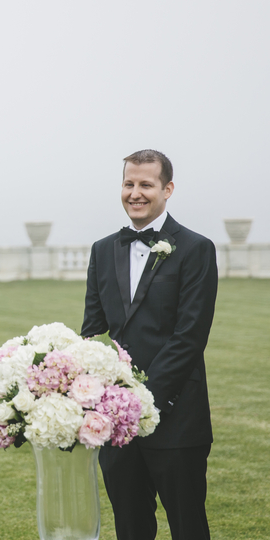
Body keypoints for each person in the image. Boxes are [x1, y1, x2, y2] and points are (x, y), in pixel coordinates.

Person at [81, 149, 217, 540]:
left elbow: (189, 335)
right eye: (128, 184)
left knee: (188, 526)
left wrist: (143, 401)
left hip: (178, 417)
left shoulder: (196, 249)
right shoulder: (102, 250)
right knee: (131, 528)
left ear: (167, 189)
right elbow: (92, 331)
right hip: (117, 426)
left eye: (146, 184)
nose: (135, 193)